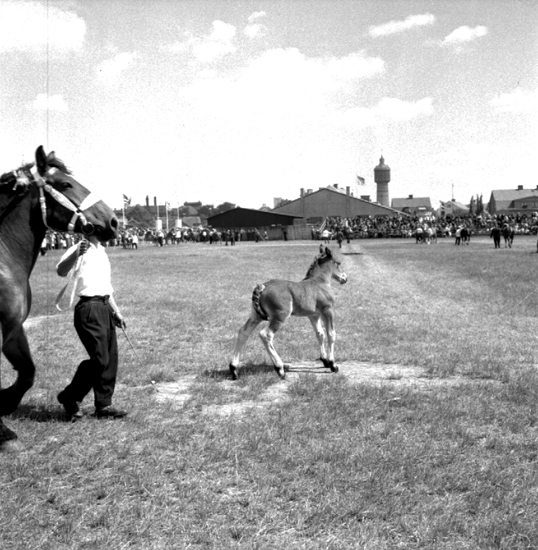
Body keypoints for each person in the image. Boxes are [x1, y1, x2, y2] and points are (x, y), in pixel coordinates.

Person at [56, 235, 128, 421]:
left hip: (105, 307)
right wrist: (75, 255)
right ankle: (69, 396)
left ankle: (104, 405)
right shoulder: (79, 247)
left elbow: (106, 287)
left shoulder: (102, 252)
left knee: (110, 358)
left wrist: (116, 311)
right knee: (100, 359)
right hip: (88, 308)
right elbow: (61, 271)